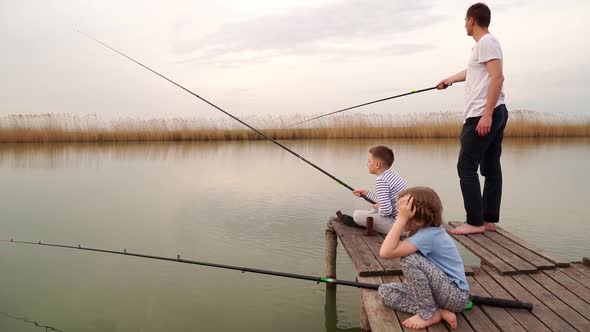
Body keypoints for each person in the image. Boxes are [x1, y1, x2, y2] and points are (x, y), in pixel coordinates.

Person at [437, 2, 509, 235]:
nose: (464, 25)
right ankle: (487, 219)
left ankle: (475, 222)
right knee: (490, 166)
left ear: (471, 20)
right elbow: (473, 72)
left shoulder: (487, 42)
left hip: (483, 113)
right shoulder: (483, 46)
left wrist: (486, 115)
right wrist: (449, 80)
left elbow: (498, 78)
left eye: (465, 21)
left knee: (466, 167)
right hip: (491, 111)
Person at [378, 187, 469, 330]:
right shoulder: (421, 232)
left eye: (402, 214)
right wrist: (403, 219)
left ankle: (428, 313)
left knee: (409, 259)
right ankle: (437, 311)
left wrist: (401, 220)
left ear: (419, 220)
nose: (398, 217)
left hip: (455, 295)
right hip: (440, 293)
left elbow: (386, 252)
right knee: (385, 291)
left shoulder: (429, 235)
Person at [351, 145, 407, 234]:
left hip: (399, 226)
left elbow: (386, 211)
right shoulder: (393, 176)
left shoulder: (381, 181)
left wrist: (378, 207)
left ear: (377, 165)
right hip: (406, 222)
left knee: (357, 215)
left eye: (369, 161)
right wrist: (366, 193)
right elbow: (384, 201)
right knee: (373, 211)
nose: (367, 164)